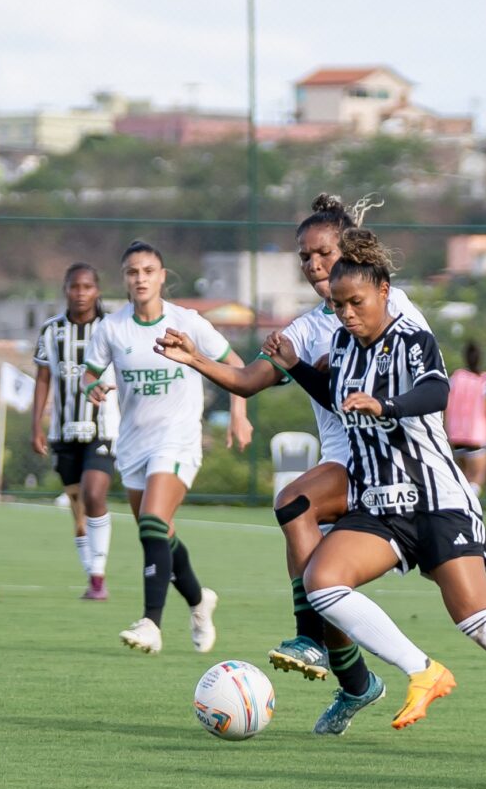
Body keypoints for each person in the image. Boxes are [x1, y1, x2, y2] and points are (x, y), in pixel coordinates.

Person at [265, 227, 486, 749]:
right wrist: (296, 366)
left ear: (383, 292)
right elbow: (334, 396)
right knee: (321, 582)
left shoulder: (411, 337)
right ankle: (422, 670)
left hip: (437, 502)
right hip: (381, 505)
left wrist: (386, 405)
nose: (347, 313)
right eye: (339, 304)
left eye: (356, 302)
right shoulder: (346, 345)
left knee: (481, 624)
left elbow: (436, 390)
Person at [154, 193, 445, 714]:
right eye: (305, 257)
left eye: (323, 253)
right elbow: (246, 381)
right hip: (347, 461)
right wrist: (194, 357)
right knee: (325, 587)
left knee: (296, 504)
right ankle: (357, 684)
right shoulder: (311, 325)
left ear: (351, 249)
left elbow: (418, 378)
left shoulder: (388, 304)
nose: (313, 265)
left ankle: (309, 634)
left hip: (397, 465)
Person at [83, 240, 252, 655]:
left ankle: (151, 624)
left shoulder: (187, 322)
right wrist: (95, 387)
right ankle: (199, 602)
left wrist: (238, 413)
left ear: (162, 276)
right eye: (132, 272)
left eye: (148, 270)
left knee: (153, 523)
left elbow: (236, 367)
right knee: (160, 533)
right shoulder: (112, 328)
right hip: (133, 445)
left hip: (178, 441)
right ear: (124, 279)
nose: (140, 278)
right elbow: (89, 374)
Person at [31, 263, 120, 599]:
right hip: (63, 431)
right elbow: (42, 378)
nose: (80, 293)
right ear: (65, 290)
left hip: (103, 429)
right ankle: (92, 577)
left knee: (95, 493)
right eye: (74, 287)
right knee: (77, 505)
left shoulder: (111, 328)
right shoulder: (51, 331)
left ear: (97, 290)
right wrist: (35, 424)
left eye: (87, 287)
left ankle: (98, 576)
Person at [445, 341, 486, 495]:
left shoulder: (455, 378)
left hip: (456, 435)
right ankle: (470, 505)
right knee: (478, 476)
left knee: (463, 478)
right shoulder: (483, 381)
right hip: (476, 435)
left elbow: (445, 402)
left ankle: (461, 506)